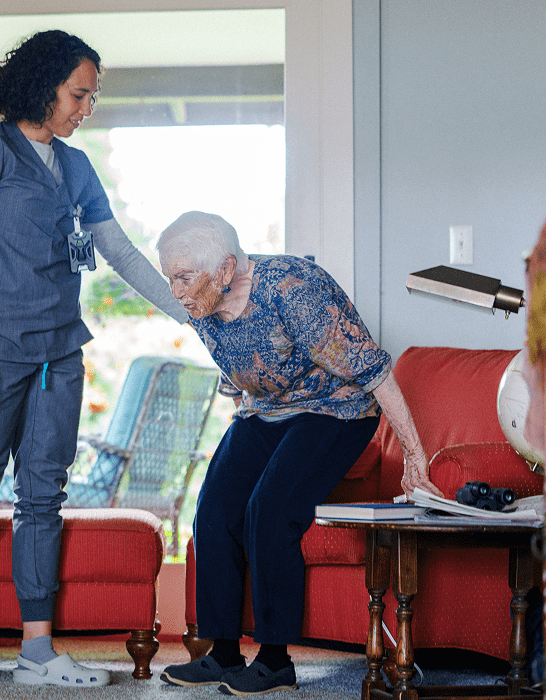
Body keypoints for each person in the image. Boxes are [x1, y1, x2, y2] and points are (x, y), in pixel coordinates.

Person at [0, 30, 188, 689]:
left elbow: (122, 255)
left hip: (58, 356)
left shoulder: (75, 168)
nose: (87, 107)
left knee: (43, 497)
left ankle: (37, 650)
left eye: (92, 96)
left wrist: (195, 314)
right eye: (79, 94)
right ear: (43, 85)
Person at [154, 212, 442, 696]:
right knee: (215, 509)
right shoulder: (202, 302)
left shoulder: (293, 291)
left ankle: (274, 662)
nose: (176, 290)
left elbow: (372, 370)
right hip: (266, 410)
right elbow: (240, 367)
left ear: (225, 270)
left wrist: (416, 455)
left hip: (337, 409)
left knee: (270, 511)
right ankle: (222, 654)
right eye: (170, 278)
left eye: (183, 277)